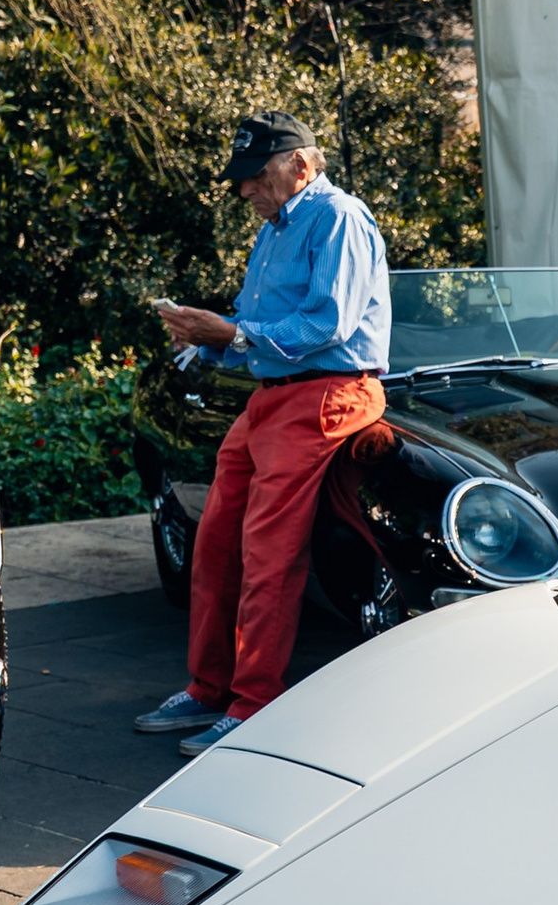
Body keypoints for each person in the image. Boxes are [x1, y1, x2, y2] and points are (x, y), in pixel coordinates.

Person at [134, 115, 392, 750]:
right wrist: (204, 341)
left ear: (301, 166)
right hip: (274, 398)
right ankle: (207, 688)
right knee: (216, 540)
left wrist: (230, 335)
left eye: (254, 176)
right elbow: (257, 328)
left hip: (328, 395)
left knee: (269, 552)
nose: (244, 190)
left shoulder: (339, 216)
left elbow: (328, 325)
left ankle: (253, 703)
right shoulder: (278, 228)